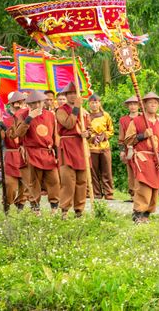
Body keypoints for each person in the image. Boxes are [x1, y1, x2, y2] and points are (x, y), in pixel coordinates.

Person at [124, 92, 159, 223]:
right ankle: (138, 213)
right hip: (142, 158)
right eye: (150, 102)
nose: (153, 104)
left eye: (155, 102)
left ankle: (146, 214)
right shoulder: (137, 121)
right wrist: (142, 135)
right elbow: (128, 140)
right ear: (144, 104)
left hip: (157, 160)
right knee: (144, 186)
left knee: (155, 187)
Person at [15, 90, 60, 215]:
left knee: (54, 180)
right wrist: (29, 118)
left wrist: (56, 151)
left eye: (39, 102)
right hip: (32, 152)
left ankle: (54, 207)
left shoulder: (50, 115)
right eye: (34, 103)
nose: (37, 105)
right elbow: (18, 133)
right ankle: (35, 208)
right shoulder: (23, 115)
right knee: (34, 182)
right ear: (30, 104)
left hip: (48, 152)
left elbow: (54, 134)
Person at [56, 82, 90, 218]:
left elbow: (90, 128)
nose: (72, 96)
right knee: (68, 180)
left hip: (81, 146)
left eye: (75, 93)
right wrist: (76, 108)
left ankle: (79, 210)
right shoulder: (61, 110)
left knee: (82, 180)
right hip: (68, 146)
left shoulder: (84, 112)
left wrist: (88, 134)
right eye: (69, 94)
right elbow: (69, 124)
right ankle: (64, 210)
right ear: (66, 95)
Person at [1, 91, 28, 212]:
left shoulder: (27, 116)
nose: (18, 105)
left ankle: (21, 204)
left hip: (25, 152)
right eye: (16, 103)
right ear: (11, 104)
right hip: (11, 153)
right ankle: (7, 203)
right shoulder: (5, 119)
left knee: (25, 181)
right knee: (10, 184)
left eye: (21, 102)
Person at [87, 94, 115, 200]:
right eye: (92, 103)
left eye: (96, 102)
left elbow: (111, 130)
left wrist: (104, 136)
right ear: (89, 104)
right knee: (93, 171)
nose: (94, 105)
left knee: (107, 170)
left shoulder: (106, 115)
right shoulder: (86, 115)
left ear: (99, 103)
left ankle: (109, 193)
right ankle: (97, 193)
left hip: (104, 146)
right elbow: (85, 130)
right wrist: (92, 137)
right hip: (92, 147)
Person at [118, 95, 139, 202]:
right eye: (130, 104)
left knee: (140, 172)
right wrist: (122, 151)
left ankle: (140, 194)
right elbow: (121, 136)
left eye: (135, 104)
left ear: (139, 105)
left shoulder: (142, 118)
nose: (133, 106)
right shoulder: (123, 120)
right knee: (130, 173)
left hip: (140, 149)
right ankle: (132, 194)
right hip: (128, 148)